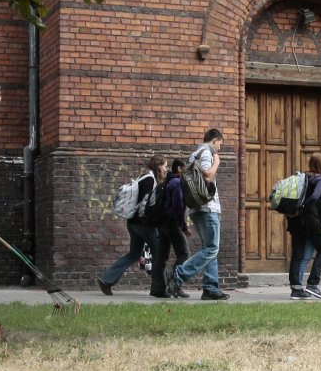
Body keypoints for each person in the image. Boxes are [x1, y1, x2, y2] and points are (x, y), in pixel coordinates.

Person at [167, 128, 230, 301]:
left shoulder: (193, 155)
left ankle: (210, 288)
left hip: (197, 209)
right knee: (211, 248)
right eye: (220, 145)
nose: (220, 149)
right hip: (207, 208)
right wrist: (217, 161)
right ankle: (178, 275)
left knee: (210, 249)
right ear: (215, 140)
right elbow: (207, 175)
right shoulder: (206, 153)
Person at [99, 155, 164, 296]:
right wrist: (151, 221)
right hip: (143, 225)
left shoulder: (144, 177)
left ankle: (107, 279)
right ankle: (160, 287)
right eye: (164, 165)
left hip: (133, 223)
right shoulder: (150, 180)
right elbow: (144, 204)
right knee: (159, 254)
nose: (165, 168)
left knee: (134, 254)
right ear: (158, 165)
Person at [288, 153, 321, 300]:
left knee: (298, 254)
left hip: (295, 220)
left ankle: (296, 289)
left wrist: (298, 210)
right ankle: (313, 284)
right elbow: (320, 201)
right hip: (311, 220)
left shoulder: (303, 177)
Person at [151, 159, 191, 298]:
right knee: (184, 254)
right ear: (179, 169)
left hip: (162, 223)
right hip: (172, 224)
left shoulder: (168, 181)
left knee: (161, 257)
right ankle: (175, 284)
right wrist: (184, 227)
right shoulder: (176, 183)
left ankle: (157, 289)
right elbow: (177, 207)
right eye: (185, 169)